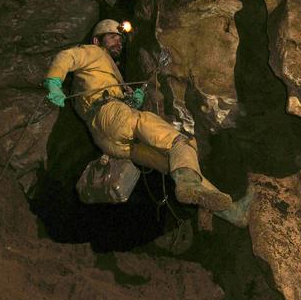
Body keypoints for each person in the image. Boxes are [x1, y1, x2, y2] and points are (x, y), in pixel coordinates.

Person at [43, 19, 252, 223]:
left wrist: (131, 99)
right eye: (112, 37)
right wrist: (54, 81)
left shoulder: (106, 72)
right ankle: (191, 184)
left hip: (108, 141)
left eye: (120, 39)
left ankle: (232, 212)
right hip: (111, 116)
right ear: (97, 40)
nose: (118, 42)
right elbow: (67, 56)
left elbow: (98, 98)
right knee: (179, 142)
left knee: (173, 165)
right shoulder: (94, 52)